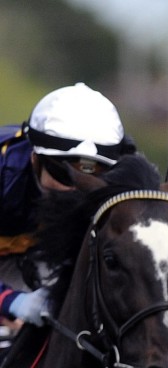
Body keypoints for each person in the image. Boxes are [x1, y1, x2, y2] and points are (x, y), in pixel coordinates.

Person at [0, 82, 134, 327]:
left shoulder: (122, 178)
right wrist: (11, 301)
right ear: (35, 159)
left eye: (92, 174)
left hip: (37, 254)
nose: (75, 189)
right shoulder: (4, 173)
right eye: (65, 174)